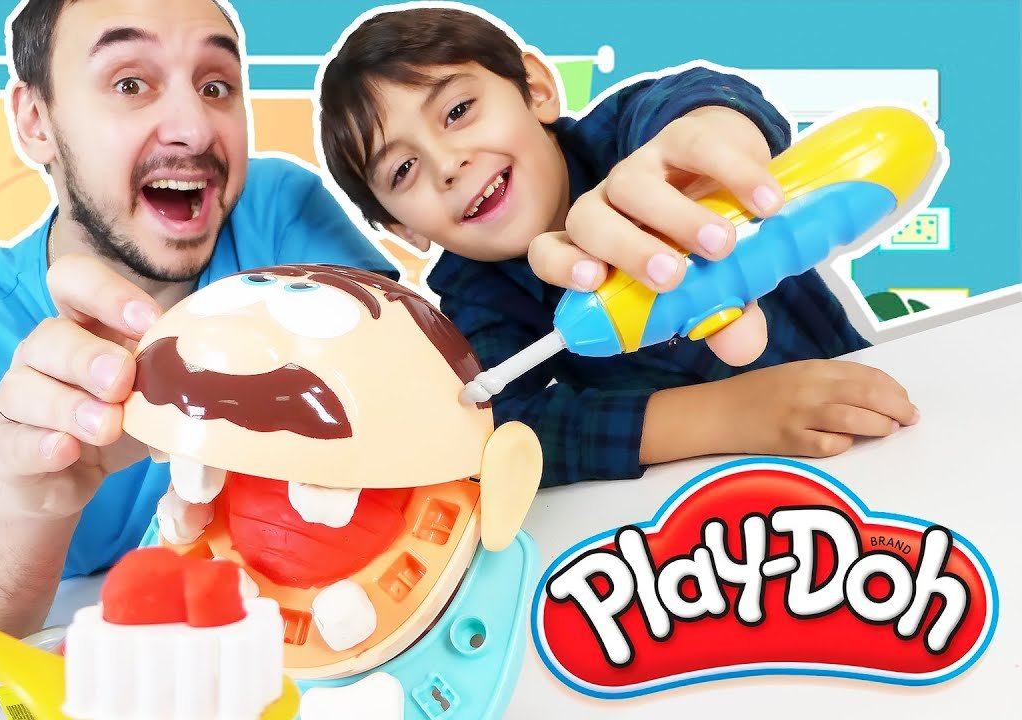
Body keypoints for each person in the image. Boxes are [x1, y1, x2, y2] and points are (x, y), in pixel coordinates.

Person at [0, 0, 393, 716]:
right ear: (35, 121)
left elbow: (423, 396)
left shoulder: (278, 212)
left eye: (216, 85)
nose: (194, 127)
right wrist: (28, 499)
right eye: (130, 83)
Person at [317, 5, 919, 488]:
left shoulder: (624, 138)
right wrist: (725, 415)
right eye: (403, 171)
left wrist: (718, 146)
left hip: (878, 400)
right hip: (698, 504)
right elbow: (500, 433)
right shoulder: (474, 296)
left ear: (535, 89)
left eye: (457, 110)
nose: (448, 164)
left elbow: (695, 103)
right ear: (403, 231)